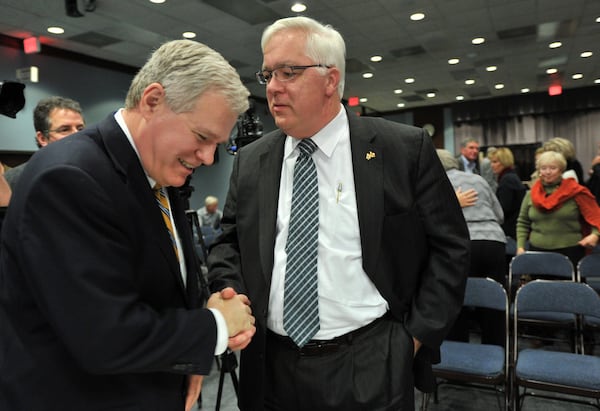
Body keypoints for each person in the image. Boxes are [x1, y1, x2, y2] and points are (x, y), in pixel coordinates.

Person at [207, 16, 470, 411]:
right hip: (272, 363)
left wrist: (411, 339)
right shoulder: (251, 160)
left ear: (331, 79)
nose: (274, 87)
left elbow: (450, 248)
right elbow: (229, 242)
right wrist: (232, 296)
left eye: (289, 72)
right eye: (268, 74)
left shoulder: (401, 148)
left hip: (370, 359)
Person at [0, 39, 256, 411]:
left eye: (217, 144)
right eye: (202, 138)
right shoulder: (69, 177)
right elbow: (103, 337)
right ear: (152, 101)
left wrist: (203, 313)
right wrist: (214, 327)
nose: (207, 157)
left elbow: (160, 286)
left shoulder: (159, 176)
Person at [437, 149, 506, 346]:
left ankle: (460, 355)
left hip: (462, 243)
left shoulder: (436, 182)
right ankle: (496, 351)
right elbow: (499, 215)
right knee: (493, 297)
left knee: (459, 298)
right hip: (494, 242)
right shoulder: (478, 179)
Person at [516, 150, 600, 268]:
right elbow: (522, 222)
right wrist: (520, 247)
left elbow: (596, 216)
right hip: (537, 251)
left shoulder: (576, 191)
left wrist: (595, 235)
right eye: (544, 168)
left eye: (553, 168)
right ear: (539, 171)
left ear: (561, 170)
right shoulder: (531, 194)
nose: (548, 172)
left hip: (570, 252)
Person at [4, 95, 85, 190]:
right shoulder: (14, 180)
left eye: (80, 129)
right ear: (42, 138)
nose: (77, 135)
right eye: (65, 130)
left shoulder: (97, 173)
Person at [488, 147, 527, 239]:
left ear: (504, 162)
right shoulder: (512, 176)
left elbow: (503, 208)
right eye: (491, 162)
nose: (492, 165)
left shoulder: (507, 180)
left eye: (495, 162)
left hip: (510, 229)